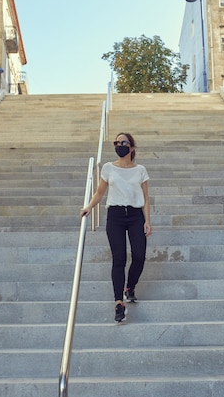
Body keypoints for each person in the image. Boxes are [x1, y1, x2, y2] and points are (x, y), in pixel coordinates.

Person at [80, 132, 152, 323]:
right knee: (119, 258)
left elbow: (146, 199)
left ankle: (130, 286)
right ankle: (119, 302)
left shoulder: (141, 170)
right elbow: (99, 192)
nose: (119, 145)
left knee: (139, 255)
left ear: (132, 147)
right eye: (117, 142)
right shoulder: (108, 168)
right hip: (116, 216)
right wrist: (88, 206)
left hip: (136, 216)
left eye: (124, 142)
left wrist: (147, 221)